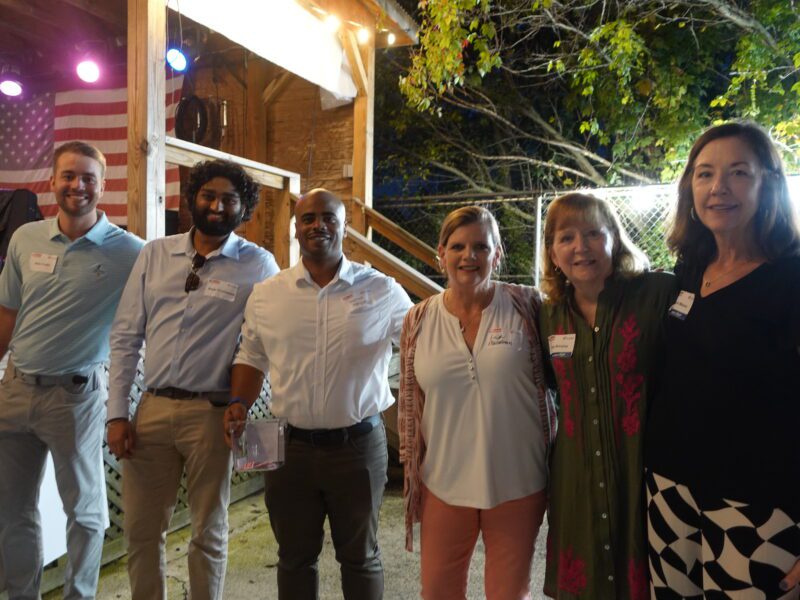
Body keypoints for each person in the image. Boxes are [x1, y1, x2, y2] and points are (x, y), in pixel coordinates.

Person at [223, 188, 412, 600]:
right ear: (295, 228)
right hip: (287, 447)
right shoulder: (268, 293)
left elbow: (422, 347)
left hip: (358, 445)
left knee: (360, 556)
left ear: (345, 226)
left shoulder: (382, 290)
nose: (317, 225)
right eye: (308, 218)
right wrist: (237, 403)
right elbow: (251, 355)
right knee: (293, 557)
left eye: (328, 217)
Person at [106, 159, 279, 600]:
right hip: (152, 410)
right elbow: (125, 336)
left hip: (215, 414)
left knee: (209, 530)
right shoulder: (155, 253)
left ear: (245, 209)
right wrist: (116, 415)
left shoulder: (259, 265)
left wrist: (264, 429)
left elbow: (269, 339)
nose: (217, 205)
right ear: (192, 199)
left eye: (229, 199)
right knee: (143, 532)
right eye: (208, 195)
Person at [645, 122, 800, 598]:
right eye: (705, 173)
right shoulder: (690, 270)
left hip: (758, 500)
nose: (719, 188)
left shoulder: (791, 277)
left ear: (768, 184)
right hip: (670, 488)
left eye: (738, 173)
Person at [0, 141, 143, 599]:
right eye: (68, 176)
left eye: (87, 177)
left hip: (75, 398)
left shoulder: (131, 253)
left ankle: (80, 594)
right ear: (53, 180)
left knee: (84, 513)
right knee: (12, 510)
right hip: (16, 390)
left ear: (103, 185)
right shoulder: (25, 237)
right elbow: (7, 312)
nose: (77, 185)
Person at [398, 206, 556, 600]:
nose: (469, 255)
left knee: (508, 594)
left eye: (481, 247)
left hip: (518, 482)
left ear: (497, 255)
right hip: (444, 483)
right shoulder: (418, 320)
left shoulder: (528, 306)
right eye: (458, 246)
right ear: (441, 254)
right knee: (438, 592)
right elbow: (410, 406)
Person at [538, 193, 676, 599]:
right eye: (566, 237)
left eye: (593, 233)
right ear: (552, 251)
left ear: (615, 238)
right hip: (575, 477)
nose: (580, 247)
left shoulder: (659, 294)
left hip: (644, 470)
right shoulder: (548, 314)